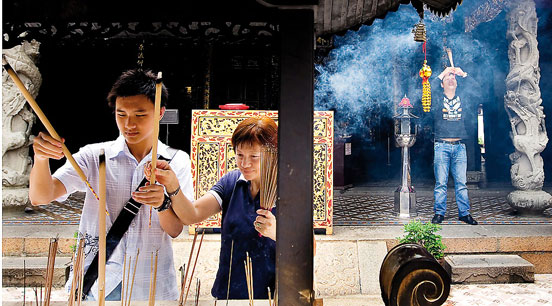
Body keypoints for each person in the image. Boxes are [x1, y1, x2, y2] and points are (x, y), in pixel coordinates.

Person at [29, 69, 194, 300]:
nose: (129, 124)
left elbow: (176, 230)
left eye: (140, 114)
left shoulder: (176, 161)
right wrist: (40, 159)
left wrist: (162, 204)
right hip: (97, 281)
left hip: (149, 281)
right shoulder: (94, 156)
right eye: (121, 114)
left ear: (160, 113)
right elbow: (41, 196)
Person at [150, 116, 278, 299]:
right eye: (240, 155)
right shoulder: (231, 183)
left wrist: (276, 232)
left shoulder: (287, 190)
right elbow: (191, 215)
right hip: (229, 293)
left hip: (273, 296)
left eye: (254, 157)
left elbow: (309, 248)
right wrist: (171, 184)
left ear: (272, 153)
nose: (245, 163)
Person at [430, 66, 478, 225]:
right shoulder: (437, 99)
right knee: (441, 183)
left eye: (453, 78)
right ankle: (439, 213)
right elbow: (426, 90)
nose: (451, 79)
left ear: (457, 83)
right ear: (442, 84)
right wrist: (442, 74)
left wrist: (463, 73)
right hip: (441, 146)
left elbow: (478, 90)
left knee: (461, 183)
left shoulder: (464, 98)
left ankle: (464, 213)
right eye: (447, 78)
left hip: (459, 147)